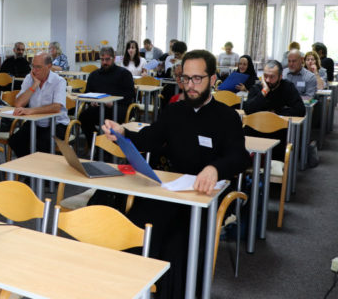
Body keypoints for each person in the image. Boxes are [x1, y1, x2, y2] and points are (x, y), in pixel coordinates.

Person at [101, 49, 249, 299]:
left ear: (213, 79)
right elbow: (149, 138)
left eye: (197, 79)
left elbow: (240, 157)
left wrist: (215, 168)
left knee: (176, 246)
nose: (190, 85)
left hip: (204, 199)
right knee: (134, 229)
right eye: (185, 78)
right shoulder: (174, 112)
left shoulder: (227, 117)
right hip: (171, 190)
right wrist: (123, 133)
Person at [8, 52, 69, 158]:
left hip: (57, 124)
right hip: (35, 122)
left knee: (42, 144)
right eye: (33, 66)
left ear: (49, 66)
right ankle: (29, 165)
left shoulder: (59, 81)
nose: (34, 70)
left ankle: (37, 167)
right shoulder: (29, 78)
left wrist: (30, 110)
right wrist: (35, 84)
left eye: (38, 67)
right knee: (15, 141)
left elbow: (56, 107)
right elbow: (18, 103)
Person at [243, 60, 305, 160]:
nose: (267, 80)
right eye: (265, 76)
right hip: (257, 129)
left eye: (272, 77)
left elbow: (300, 110)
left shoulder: (288, 87)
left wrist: (276, 114)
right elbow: (248, 109)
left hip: (278, 132)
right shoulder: (257, 88)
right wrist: (264, 92)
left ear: (280, 77)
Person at [79, 46, 135, 144]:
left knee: (110, 120)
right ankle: (95, 144)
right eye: (102, 59)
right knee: (83, 116)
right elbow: (87, 93)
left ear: (114, 58)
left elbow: (130, 94)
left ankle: (109, 146)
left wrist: (113, 103)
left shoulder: (124, 74)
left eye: (107, 59)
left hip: (119, 107)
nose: (104, 62)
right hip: (99, 108)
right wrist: (91, 102)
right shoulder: (94, 75)